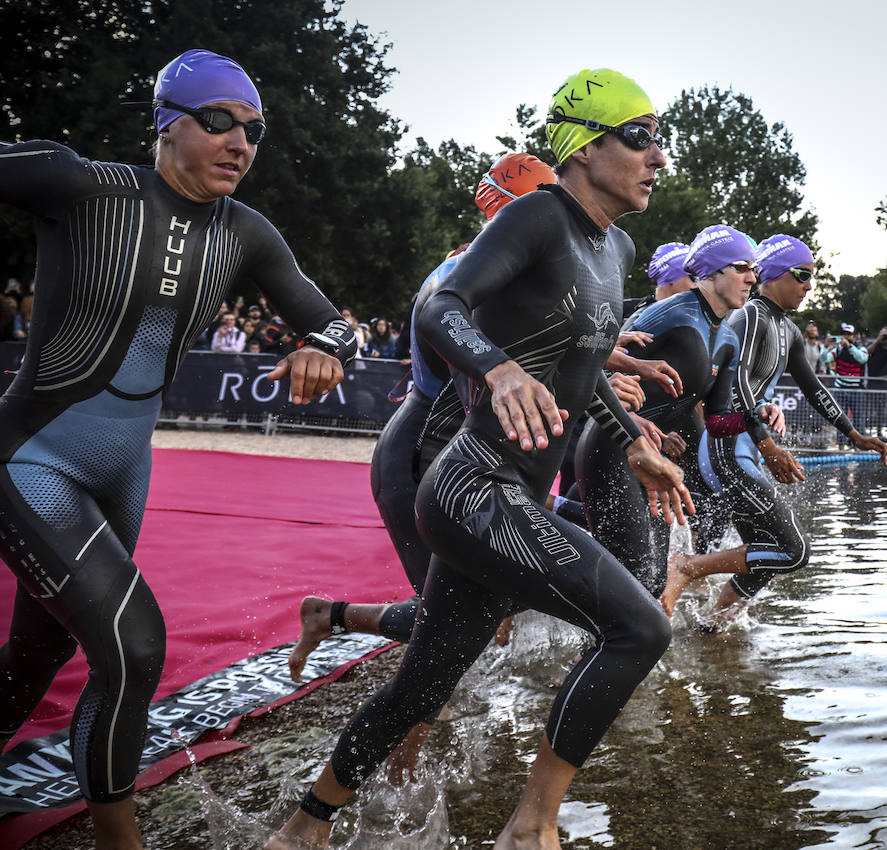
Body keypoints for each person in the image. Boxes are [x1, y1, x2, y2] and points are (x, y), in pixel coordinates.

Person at [268, 68, 692, 850]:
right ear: (584, 146)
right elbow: (439, 305)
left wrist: (632, 441)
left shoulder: (617, 246)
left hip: (510, 491)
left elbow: (584, 360)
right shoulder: (537, 215)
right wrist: (496, 370)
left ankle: (302, 825)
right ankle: (530, 826)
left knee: (421, 686)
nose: (658, 156)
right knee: (638, 628)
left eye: (659, 139)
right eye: (641, 138)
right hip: (471, 485)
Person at [0, 49, 355, 849]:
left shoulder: (245, 233)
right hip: (31, 457)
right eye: (220, 121)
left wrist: (326, 346)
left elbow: (331, 319)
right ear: (167, 122)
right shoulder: (81, 185)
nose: (241, 142)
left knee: (31, 662)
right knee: (133, 644)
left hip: (124, 470)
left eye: (254, 129)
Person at [285, 152, 556, 779]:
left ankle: (333, 618)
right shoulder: (464, 272)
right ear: (507, 212)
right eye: (541, 210)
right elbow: (482, 374)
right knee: (454, 624)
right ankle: (398, 775)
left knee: (483, 614)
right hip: (420, 457)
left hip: (454, 456)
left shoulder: (505, 272)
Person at [659, 235, 887, 628]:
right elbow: (734, 385)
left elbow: (814, 389)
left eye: (812, 277)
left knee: (765, 555)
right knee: (794, 550)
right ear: (777, 274)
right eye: (802, 275)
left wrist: (855, 435)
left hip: (746, 447)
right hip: (727, 447)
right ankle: (687, 567)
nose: (809, 285)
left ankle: (712, 630)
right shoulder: (749, 316)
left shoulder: (789, 330)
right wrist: (768, 446)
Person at [576, 224, 771, 600]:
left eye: (755, 270)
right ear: (712, 273)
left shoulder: (728, 339)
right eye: (742, 268)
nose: (752, 278)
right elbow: (589, 361)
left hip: (658, 459)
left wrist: (754, 419)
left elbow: (715, 422)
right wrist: (620, 397)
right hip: (612, 447)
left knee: (649, 584)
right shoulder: (668, 314)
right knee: (629, 583)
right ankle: (508, 599)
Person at [821, 322, 869, 441]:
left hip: (857, 390)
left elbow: (862, 359)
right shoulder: (837, 350)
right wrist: (825, 346)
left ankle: (859, 448)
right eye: (844, 334)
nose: (846, 336)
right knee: (840, 420)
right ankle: (841, 446)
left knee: (859, 420)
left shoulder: (861, 349)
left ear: (854, 336)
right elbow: (824, 359)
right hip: (840, 389)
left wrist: (849, 346)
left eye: (849, 334)